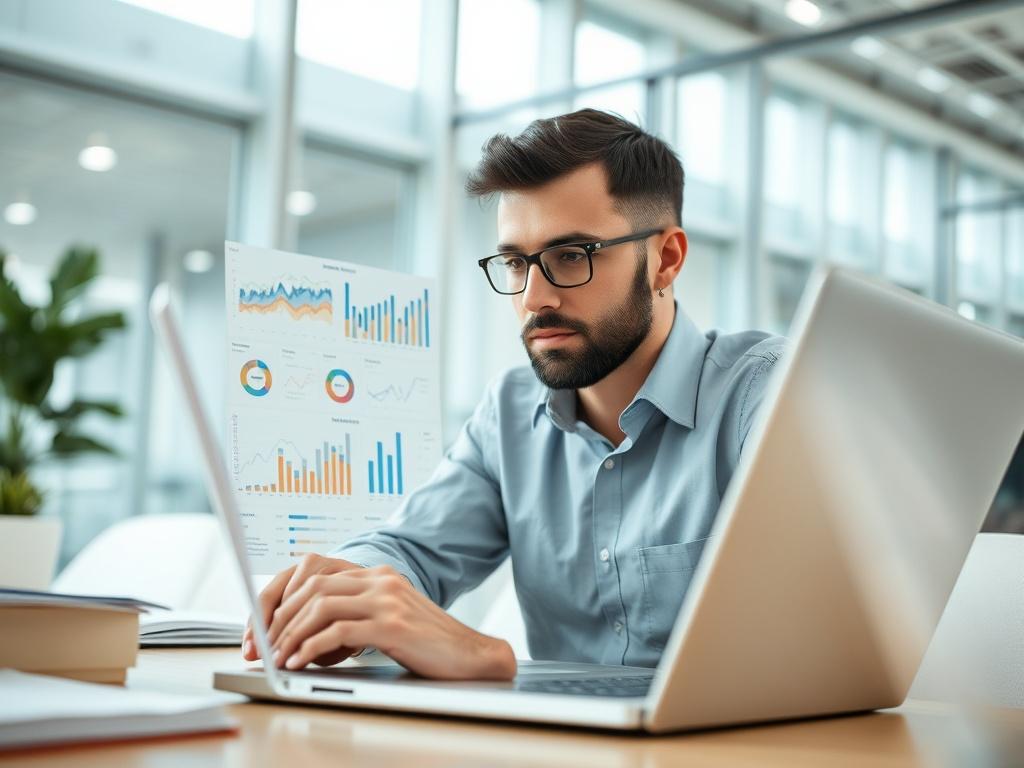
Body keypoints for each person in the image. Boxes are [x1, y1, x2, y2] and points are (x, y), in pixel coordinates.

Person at [242, 109, 785, 681]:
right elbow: (409, 549)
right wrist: (341, 592)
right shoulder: (509, 411)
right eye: (514, 262)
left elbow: (807, 645)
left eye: (570, 257)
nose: (533, 297)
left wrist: (482, 656)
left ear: (666, 260)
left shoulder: (764, 397)